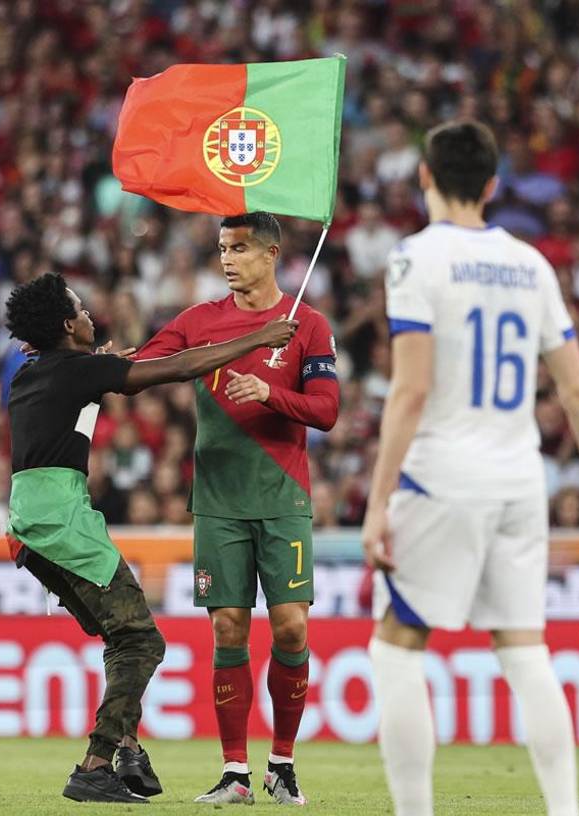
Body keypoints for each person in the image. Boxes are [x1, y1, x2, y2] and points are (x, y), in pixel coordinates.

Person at [361, 120, 579, 816]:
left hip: (443, 477)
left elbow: (411, 390)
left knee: (396, 648)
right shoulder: (530, 263)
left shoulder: (415, 259)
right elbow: (576, 389)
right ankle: (564, 811)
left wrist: (377, 500)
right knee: (524, 649)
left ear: (424, 176)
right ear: (493, 186)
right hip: (520, 481)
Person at [3, 272, 296, 804]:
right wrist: (257, 338)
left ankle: (128, 751)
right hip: (61, 522)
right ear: (69, 326)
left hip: (30, 522)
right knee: (142, 640)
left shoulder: (35, 373)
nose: (91, 314)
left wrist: (101, 368)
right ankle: (96, 763)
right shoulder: (76, 371)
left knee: (123, 637)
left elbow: (70, 402)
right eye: (82, 309)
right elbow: (181, 367)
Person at [136, 212, 340, 805]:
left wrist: (271, 394)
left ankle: (283, 762)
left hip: (283, 500)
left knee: (291, 626)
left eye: (241, 248)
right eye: (223, 248)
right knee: (227, 628)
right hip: (219, 502)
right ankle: (234, 773)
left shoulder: (308, 323)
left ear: (272, 253)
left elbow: (326, 410)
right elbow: (144, 366)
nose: (227, 258)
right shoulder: (200, 322)